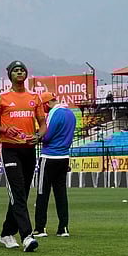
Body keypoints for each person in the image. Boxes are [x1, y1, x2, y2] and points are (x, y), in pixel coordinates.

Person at [0, 60, 46, 252]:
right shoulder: (2, 99)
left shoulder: (34, 98)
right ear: (10, 75)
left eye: (22, 70)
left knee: (23, 193)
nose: (19, 73)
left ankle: (6, 233)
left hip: (29, 149)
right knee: (17, 191)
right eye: (16, 71)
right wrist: (5, 129)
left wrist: (38, 136)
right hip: (9, 148)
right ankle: (27, 236)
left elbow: (43, 125)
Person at [33, 92, 80, 238]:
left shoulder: (54, 113)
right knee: (61, 193)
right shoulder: (71, 114)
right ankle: (63, 228)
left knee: (42, 192)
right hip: (64, 156)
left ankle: (40, 228)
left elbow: (46, 135)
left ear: (47, 103)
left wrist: (37, 135)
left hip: (49, 157)